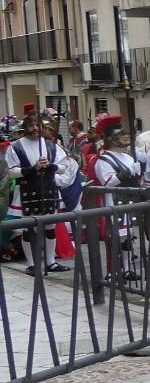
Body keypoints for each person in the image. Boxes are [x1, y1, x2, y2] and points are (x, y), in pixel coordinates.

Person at [4, 107, 72, 275]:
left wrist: (51, 166)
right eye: (31, 125)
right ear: (25, 127)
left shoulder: (51, 146)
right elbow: (11, 172)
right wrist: (32, 168)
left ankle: (50, 262)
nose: (35, 128)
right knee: (28, 228)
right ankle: (32, 264)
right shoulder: (16, 147)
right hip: (27, 189)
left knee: (50, 226)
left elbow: (64, 167)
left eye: (38, 125)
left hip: (48, 188)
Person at [91, 115, 142, 284]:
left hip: (128, 200)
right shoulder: (104, 160)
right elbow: (108, 182)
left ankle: (126, 269)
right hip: (113, 200)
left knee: (127, 236)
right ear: (112, 139)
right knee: (115, 237)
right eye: (121, 135)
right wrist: (128, 173)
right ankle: (113, 270)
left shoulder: (128, 157)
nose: (126, 137)